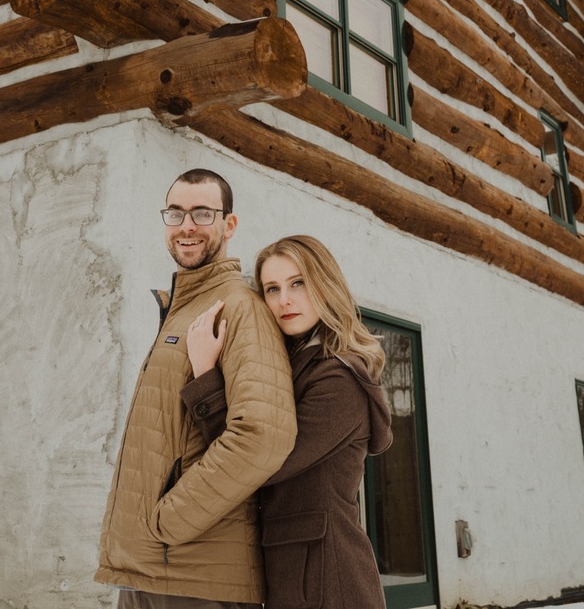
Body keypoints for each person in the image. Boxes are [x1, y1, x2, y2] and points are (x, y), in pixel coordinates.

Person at [94, 169, 297, 609]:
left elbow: (263, 436)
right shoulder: (184, 309)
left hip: (195, 575)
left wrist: (167, 522)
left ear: (229, 225)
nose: (187, 226)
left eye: (202, 213)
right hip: (152, 571)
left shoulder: (240, 308)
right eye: (176, 213)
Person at [182, 234, 393, 609]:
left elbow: (255, 462)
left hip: (330, 581)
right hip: (291, 574)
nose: (284, 300)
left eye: (298, 283)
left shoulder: (339, 379)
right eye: (272, 289)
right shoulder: (291, 367)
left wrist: (205, 377)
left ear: (324, 284)